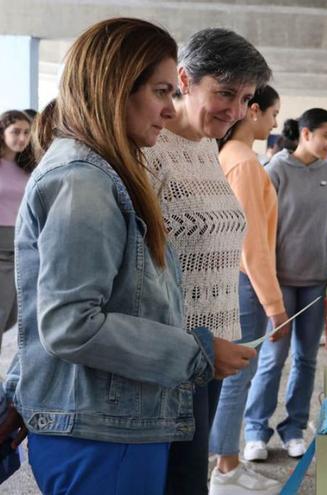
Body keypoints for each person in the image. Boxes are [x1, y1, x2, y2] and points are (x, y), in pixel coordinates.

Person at [0, 18, 254, 494]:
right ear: (117, 88)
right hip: (100, 425)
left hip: (113, 413)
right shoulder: (83, 181)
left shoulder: (103, 170)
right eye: (161, 91)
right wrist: (195, 351)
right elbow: (69, 322)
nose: (167, 109)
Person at [142, 27, 271, 495]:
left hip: (216, 344)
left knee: (193, 471)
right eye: (224, 93)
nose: (236, 110)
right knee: (178, 479)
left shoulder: (206, 148)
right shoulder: (151, 152)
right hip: (176, 347)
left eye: (246, 97)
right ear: (184, 79)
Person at [243, 108, 327, 460]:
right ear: (306, 133)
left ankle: (294, 428)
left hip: (316, 282)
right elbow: (256, 228)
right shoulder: (275, 170)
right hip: (279, 282)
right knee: (273, 359)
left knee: (307, 360)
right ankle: (256, 431)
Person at [209, 85, 285, 494]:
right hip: (244, 283)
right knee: (237, 377)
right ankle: (226, 471)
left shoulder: (234, 158)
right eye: (273, 113)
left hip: (239, 280)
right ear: (252, 111)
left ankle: (230, 463)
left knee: (237, 376)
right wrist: (274, 304)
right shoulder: (243, 163)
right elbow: (251, 242)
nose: (275, 123)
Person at [0, 110, 36, 341]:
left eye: (26, 132)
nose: (21, 138)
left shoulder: (28, 167)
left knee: (12, 315)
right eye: (15, 132)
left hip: (21, 246)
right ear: (2, 132)